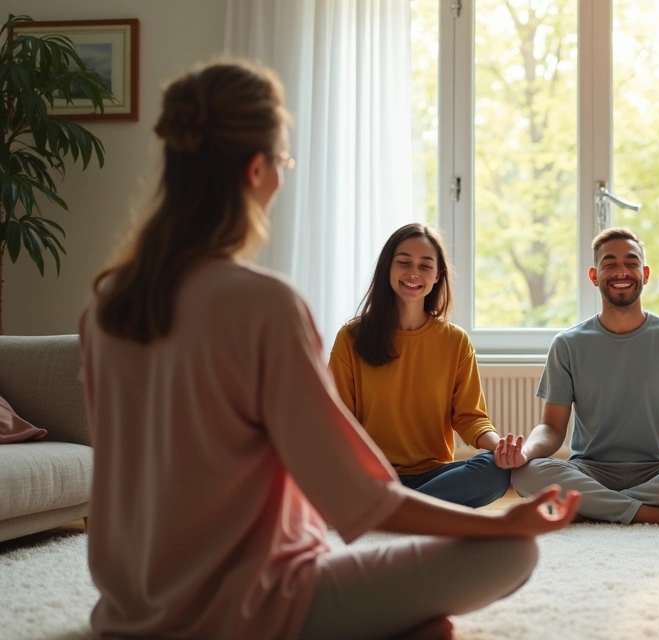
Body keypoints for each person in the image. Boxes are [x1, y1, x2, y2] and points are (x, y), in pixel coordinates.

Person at [79, 59, 579, 640]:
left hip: (129, 610)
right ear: (258, 169)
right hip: (254, 607)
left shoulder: (105, 307)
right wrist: (502, 528)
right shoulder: (265, 304)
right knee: (513, 555)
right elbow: (356, 495)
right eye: (285, 163)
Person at [497, 227, 659, 526]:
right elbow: (551, 428)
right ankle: (654, 514)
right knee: (527, 473)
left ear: (645, 273)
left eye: (631, 263)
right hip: (590, 470)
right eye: (610, 264)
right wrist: (525, 452)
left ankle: (593, 507)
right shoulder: (567, 344)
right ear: (594, 276)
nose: (622, 271)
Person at [329, 223, 510, 508]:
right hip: (371, 475)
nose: (414, 273)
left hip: (434, 475)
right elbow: (339, 421)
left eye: (425, 266)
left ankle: (400, 509)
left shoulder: (455, 341)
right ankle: (418, 510)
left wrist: (500, 447)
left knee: (495, 471)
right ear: (387, 268)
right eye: (404, 262)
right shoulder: (351, 338)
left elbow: (469, 417)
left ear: (438, 276)